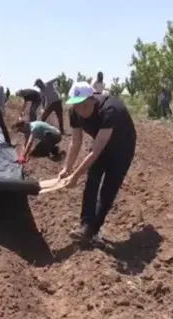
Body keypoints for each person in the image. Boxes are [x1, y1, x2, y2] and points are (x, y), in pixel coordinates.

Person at [58, 82, 136, 244]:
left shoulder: (110, 110)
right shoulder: (75, 112)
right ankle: (85, 225)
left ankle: (93, 230)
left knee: (108, 189)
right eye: (76, 106)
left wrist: (75, 176)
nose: (80, 110)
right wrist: (67, 168)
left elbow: (95, 151)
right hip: (101, 143)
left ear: (93, 99)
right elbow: (76, 142)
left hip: (123, 147)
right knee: (92, 181)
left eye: (84, 106)